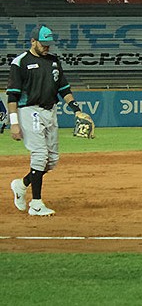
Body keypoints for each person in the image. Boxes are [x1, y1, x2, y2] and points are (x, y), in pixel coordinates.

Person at [7, 24, 89, 216]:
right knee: (40, 155)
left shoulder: (53, 61)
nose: (47, 47)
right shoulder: (20, 63)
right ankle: (36, 204)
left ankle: (21, 184)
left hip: (50, 111)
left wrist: (76, 110)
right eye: (43, 44)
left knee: (51, 161)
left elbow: (64, 89)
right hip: (29, 110)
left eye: (49, 44)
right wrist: (14, 123)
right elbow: (12, 96)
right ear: (32, 41)